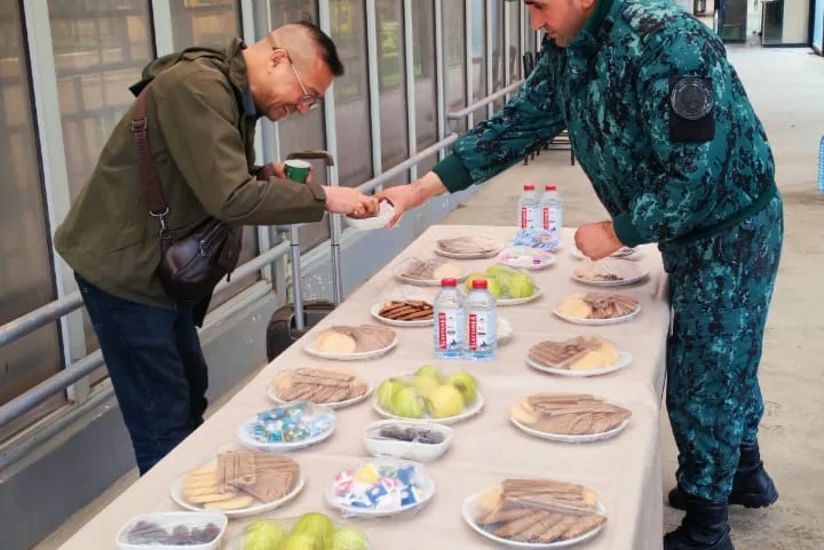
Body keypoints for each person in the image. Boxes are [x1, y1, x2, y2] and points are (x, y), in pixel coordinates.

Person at [377, 1, 782, 548]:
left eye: (540, 7)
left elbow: (696, 175)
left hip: (729, 227)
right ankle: (744, 474)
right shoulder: (571, 48)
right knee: (725, 355)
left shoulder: (668, 44)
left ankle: (708, 525)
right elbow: (519, 124)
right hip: (683, 228)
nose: (535, 22)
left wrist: (619, 233)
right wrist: (423, 188)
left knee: (706, 370)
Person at [55, 23, 378, 474]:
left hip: (157, 264)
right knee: (162, 417)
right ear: (277, 60)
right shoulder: (198, 88)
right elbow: (229, 198)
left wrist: (263, 173)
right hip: (125, 270)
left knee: (189, 389)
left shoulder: (227, 89)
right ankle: (176, 526)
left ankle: (193, 493)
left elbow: (210, 175)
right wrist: (325, 198)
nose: (302, 109)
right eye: (307, 95)